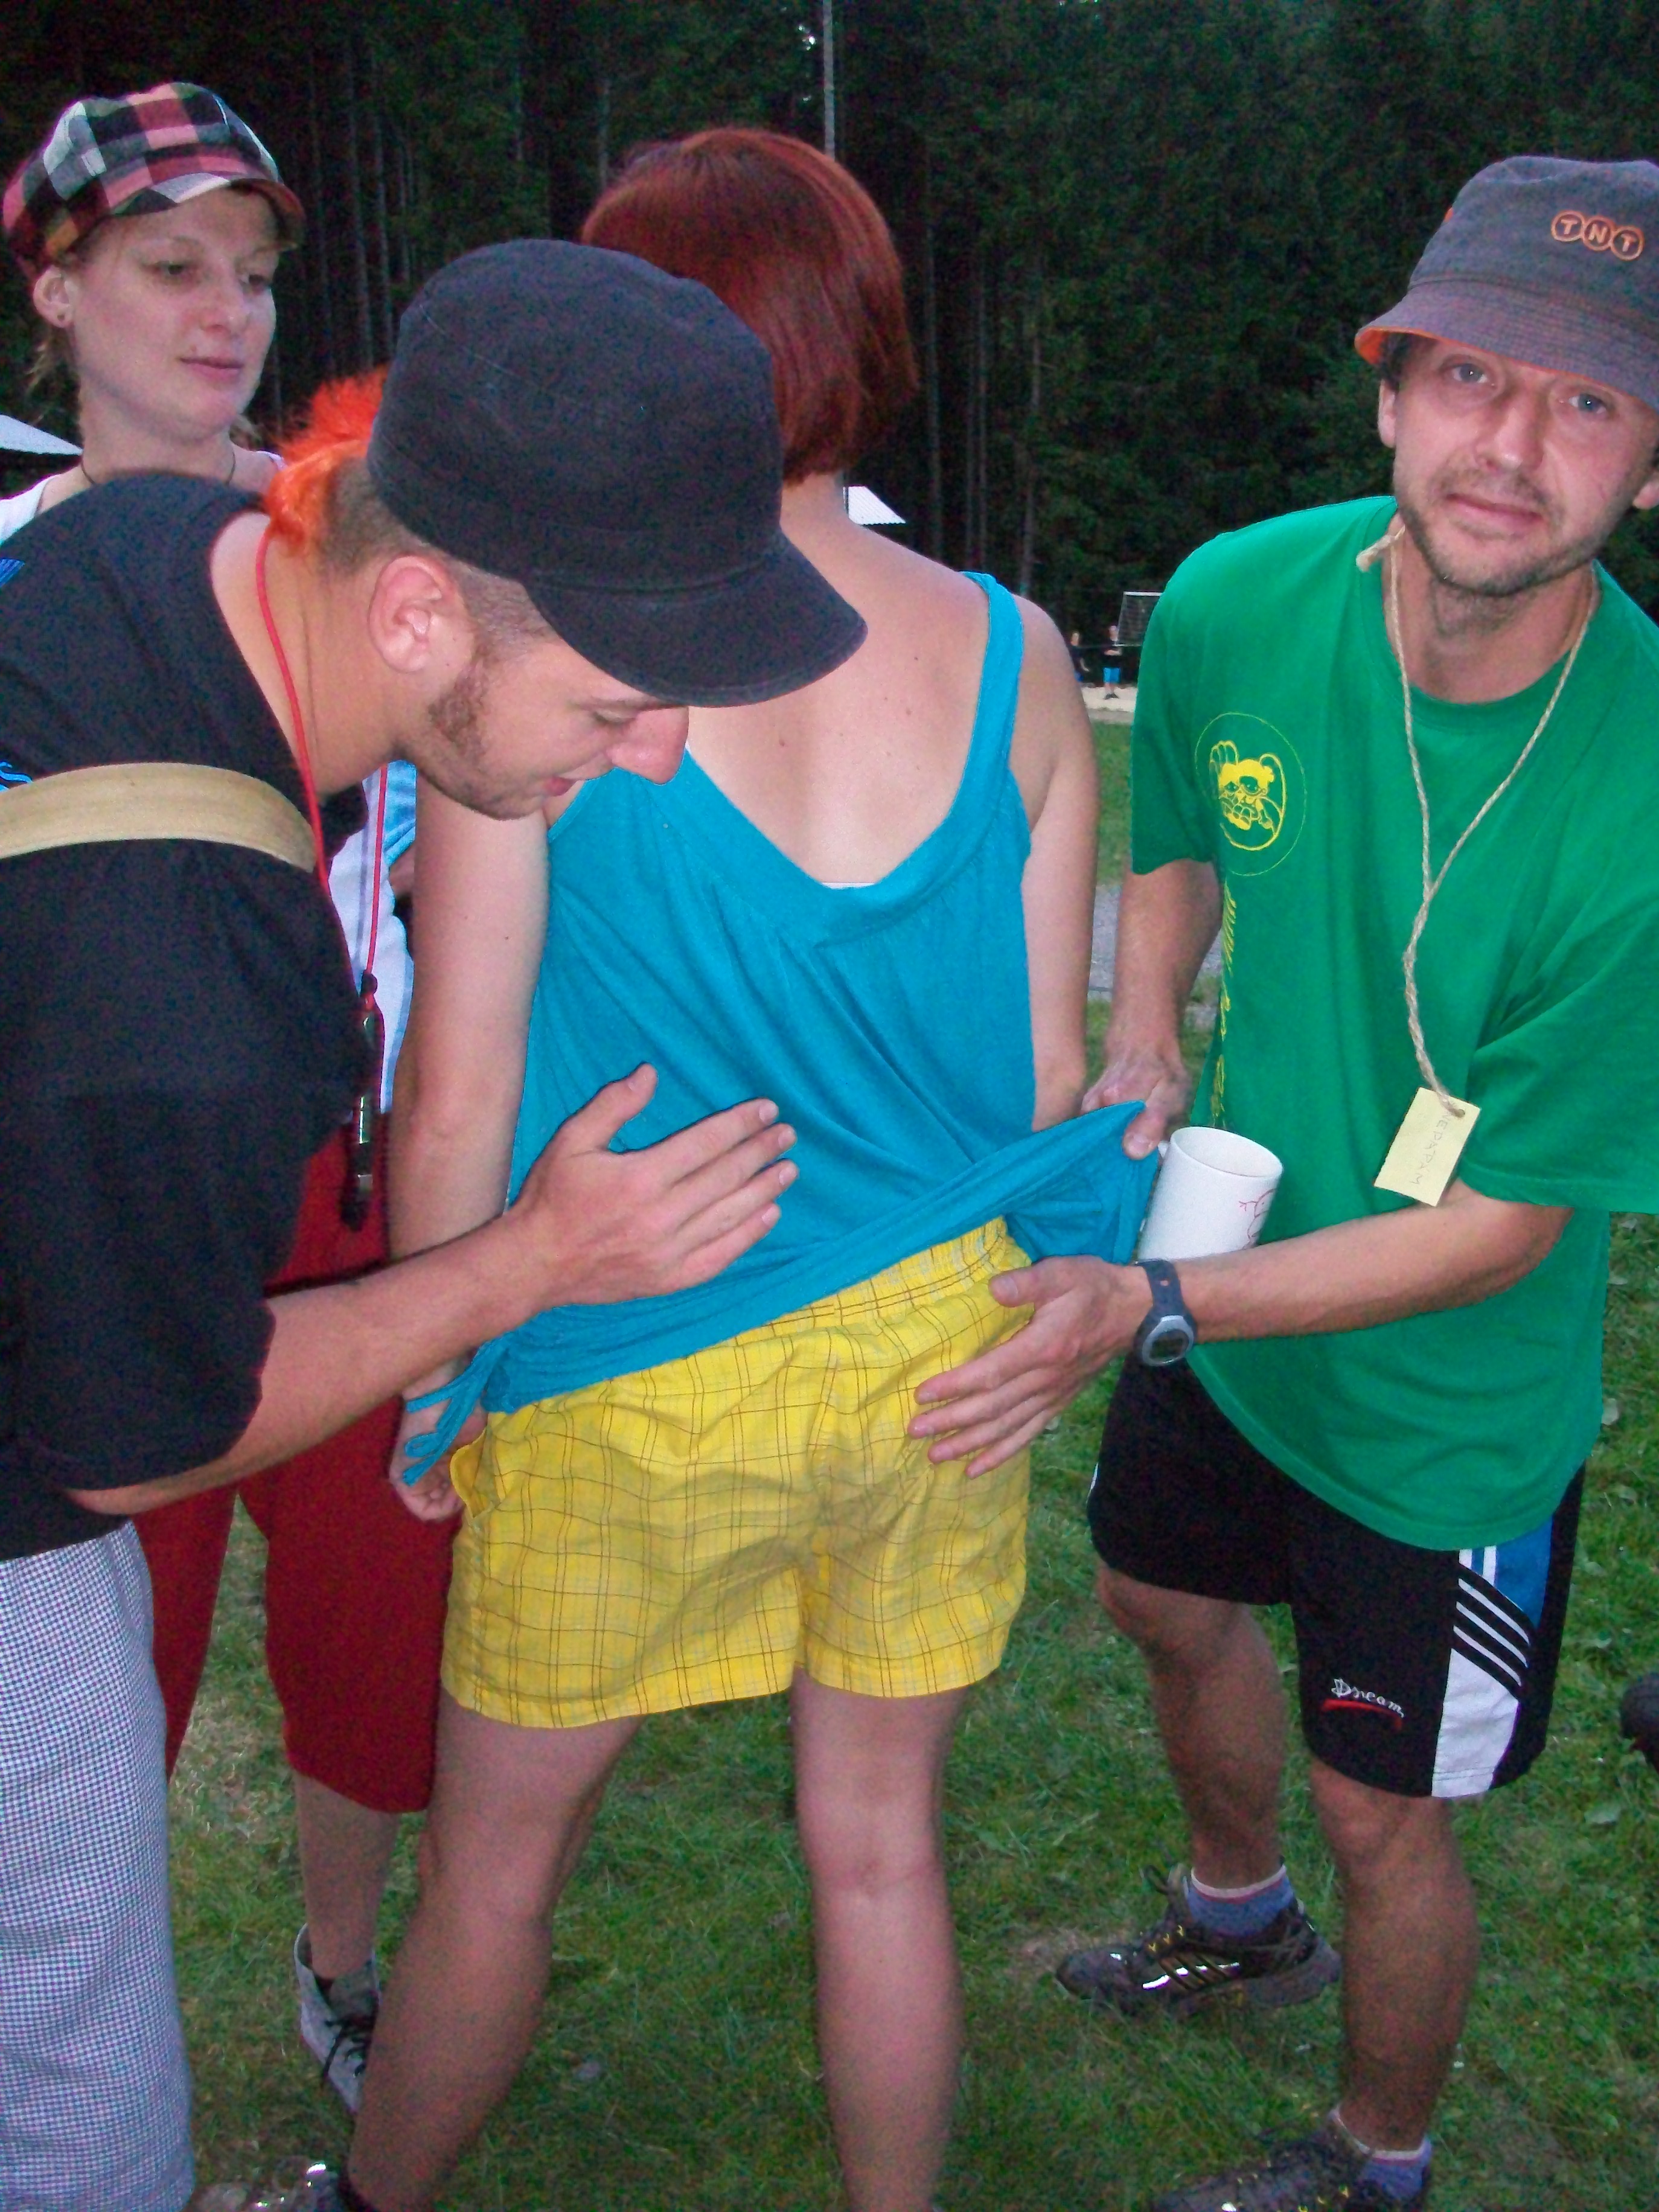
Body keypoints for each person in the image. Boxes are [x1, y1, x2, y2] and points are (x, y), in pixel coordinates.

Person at [0, 229, 858, 2212]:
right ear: (412, 609)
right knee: (77, 2093)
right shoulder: (189, 988)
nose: (653, 755)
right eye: (617, 703)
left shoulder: (146, 547)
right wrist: (534, 1258)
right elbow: (133, 1442)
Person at [337, 129, 1146, 2212]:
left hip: (633, 1346)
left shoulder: (557, 653)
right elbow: (1048, 1071)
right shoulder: (1015, 650)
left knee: (495, 1869)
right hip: (937, 1360)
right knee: (878, 1854)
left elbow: (461, 1087)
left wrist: (433, 1368)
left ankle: (372, 2195)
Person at [910, 155, 1659, 2211]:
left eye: (1588, 402)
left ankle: (1375, 2155)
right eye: (1472, 377)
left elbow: (1498, 1229)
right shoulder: (1242, 596)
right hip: (1228, 1299)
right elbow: (1170, 837)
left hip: (1441, 1411)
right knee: (1156, 1596)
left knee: (1379, 1810)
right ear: (1388, 388)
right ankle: (1234, 1921)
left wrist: (1143, 1301)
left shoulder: (1642, 793)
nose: (1511, 445)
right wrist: (1149, 1021)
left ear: (1648, 462)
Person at [0, 81, 435, 2118]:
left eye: (252, 277)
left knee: (371, 1608)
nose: (223, 316)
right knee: (111, 1607)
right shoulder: (17, 563)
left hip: (348, 1162)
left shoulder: (357, 541)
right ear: (55, 289)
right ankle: (81, 1952)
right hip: (98, 1171)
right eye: (170, 267)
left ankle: (340, 1960)